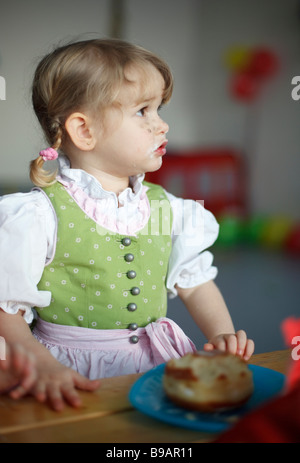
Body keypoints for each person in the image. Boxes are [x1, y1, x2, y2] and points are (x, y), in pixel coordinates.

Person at [0, 38, 254, 410]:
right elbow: (7, 306)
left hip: (152, 365)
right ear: (84, 130)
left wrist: (223, 334)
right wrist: (37, 361)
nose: (162, 124)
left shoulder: (166, 208)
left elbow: (195, 280)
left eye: (159, 108)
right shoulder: (40, 214)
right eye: (143, 111)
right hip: (68, 369)